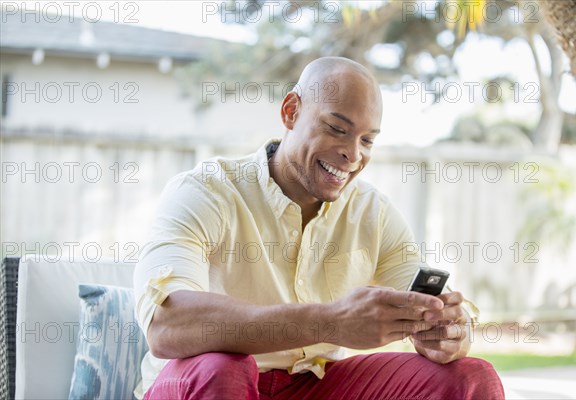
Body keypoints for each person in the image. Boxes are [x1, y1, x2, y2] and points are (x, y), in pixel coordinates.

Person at [133, 56, 505, 399]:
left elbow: (431, 309)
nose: (353, 154)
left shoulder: (372, 212)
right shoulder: (205, 191)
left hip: (314, 385)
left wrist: (448, 333)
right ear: (291, 111)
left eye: (367, 140)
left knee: (471, 378)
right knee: (224, 369)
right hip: (204, 383)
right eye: (336, 129)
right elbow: (166, 325)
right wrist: (330, 322)